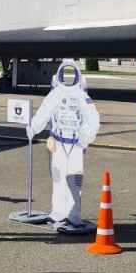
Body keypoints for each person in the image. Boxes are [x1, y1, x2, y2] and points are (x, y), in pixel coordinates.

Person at [26, 59, 100, 232]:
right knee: (58, 178)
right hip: (58, 143)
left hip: (76, 144)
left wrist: (86, 135)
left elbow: (92, 117)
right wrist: (34, 127)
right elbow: (44, 112)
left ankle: (73, 215)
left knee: (74, 180)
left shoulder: (82, 96)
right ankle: (58, 211)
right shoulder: (55, 94)